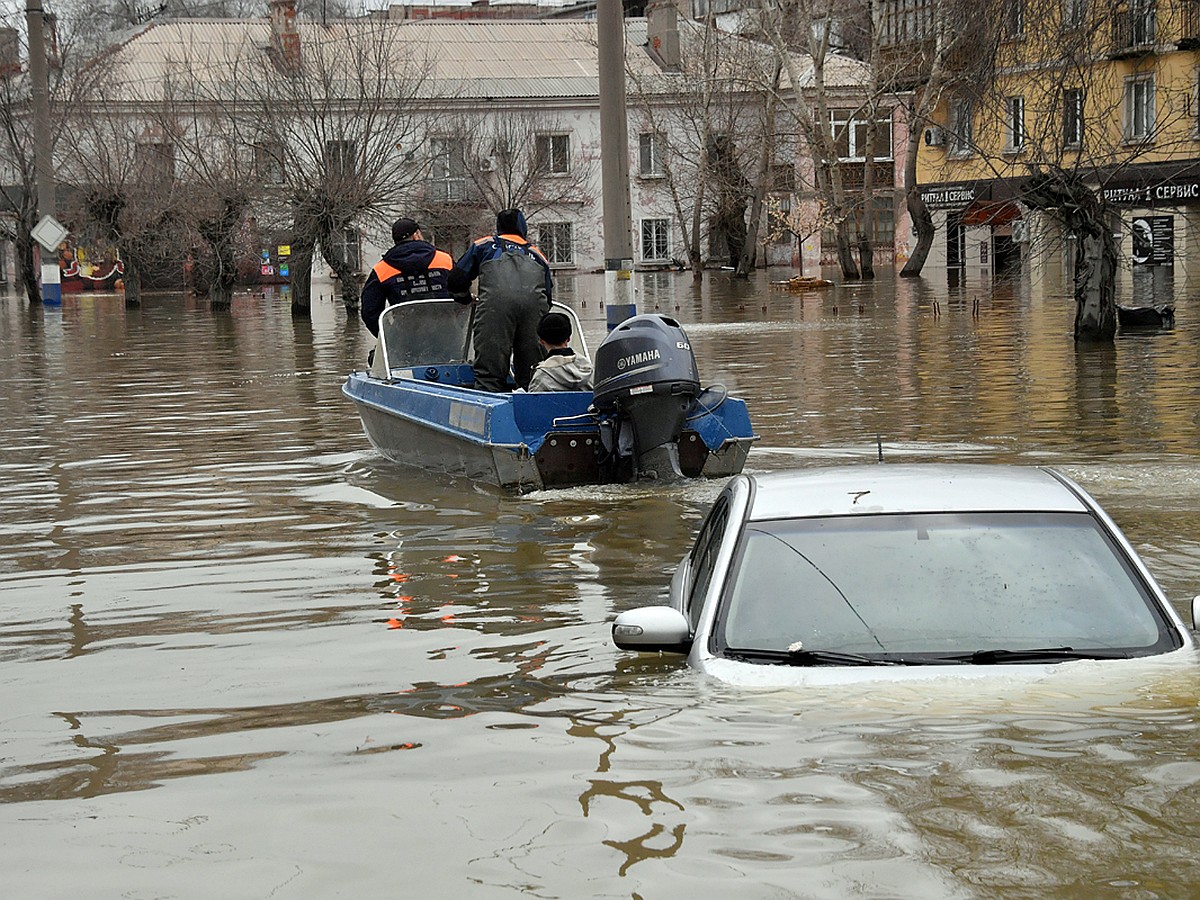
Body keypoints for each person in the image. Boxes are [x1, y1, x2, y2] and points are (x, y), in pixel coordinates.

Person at [448, 208, 553, 392]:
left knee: (490, 371)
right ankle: (532, 407)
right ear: (523, 228)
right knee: (533, 373)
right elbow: (548, 298)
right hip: (534, 313)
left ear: (499, 227)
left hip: (495, 312)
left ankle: (490, 406)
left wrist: (464, 299)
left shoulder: (485, 245)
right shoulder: (538, 256)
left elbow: (456, 280)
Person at [360, 217, 454, 337]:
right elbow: (462, 292)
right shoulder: (445, 260)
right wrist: (457, 326)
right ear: (416, 235)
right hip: (448, 336)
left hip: (405, 340)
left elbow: (369, 311)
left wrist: (388, 337)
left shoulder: (382, 269)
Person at [528, 311, 593, 392]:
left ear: (541, 341)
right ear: (568, 338)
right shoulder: (589, 371)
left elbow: (533, 402)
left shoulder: (541, 377)